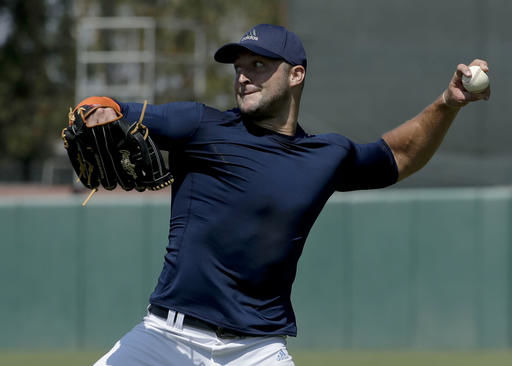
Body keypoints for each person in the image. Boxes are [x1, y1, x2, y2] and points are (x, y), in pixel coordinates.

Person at [85, 24, 490, 366]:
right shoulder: (200, 126)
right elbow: (106, 106)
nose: (243, 76)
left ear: (296, 74)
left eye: (258, 65)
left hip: (256, 349)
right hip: (164, 341)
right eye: (239, 67)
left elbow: (399, 155)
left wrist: (448, 103)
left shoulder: (325, 155)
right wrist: (97, 109)